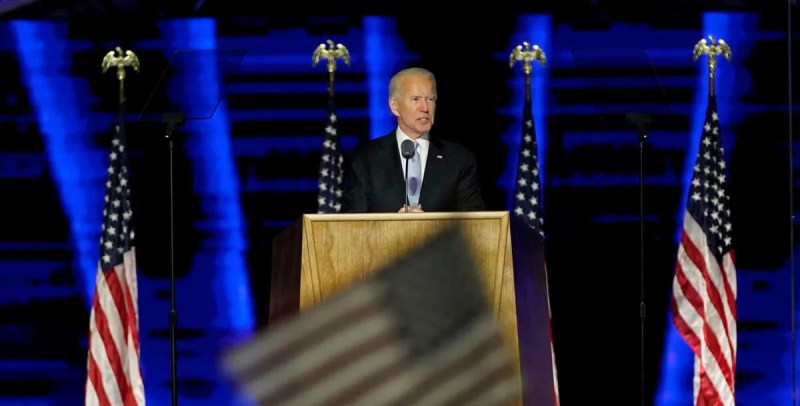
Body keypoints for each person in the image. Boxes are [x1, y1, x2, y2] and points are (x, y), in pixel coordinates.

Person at [340, 67, 486, 213]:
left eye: (430, 99)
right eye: (415, 99)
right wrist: (392, 226)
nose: (425, 108)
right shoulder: (366, 158)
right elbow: (351, 223)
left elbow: (474, 224)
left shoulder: (460, 159)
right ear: (394, 105)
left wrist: (426, 226)